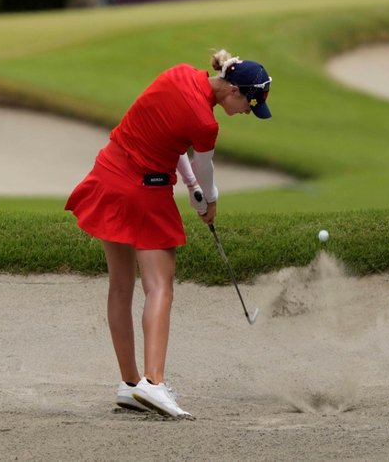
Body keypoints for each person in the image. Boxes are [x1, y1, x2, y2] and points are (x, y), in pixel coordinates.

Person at [64, 49, 272, 419]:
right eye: (248, 106)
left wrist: (190, 186)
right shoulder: (207, 126)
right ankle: (154, 384)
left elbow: (169, 134)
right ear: (235, 92)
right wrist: (209, 201)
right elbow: (205, 170)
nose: (245, 113)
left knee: (120, 285)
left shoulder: (178, 75)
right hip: (143, 190)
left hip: (109, 172)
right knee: (159, 286)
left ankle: (131, 387)